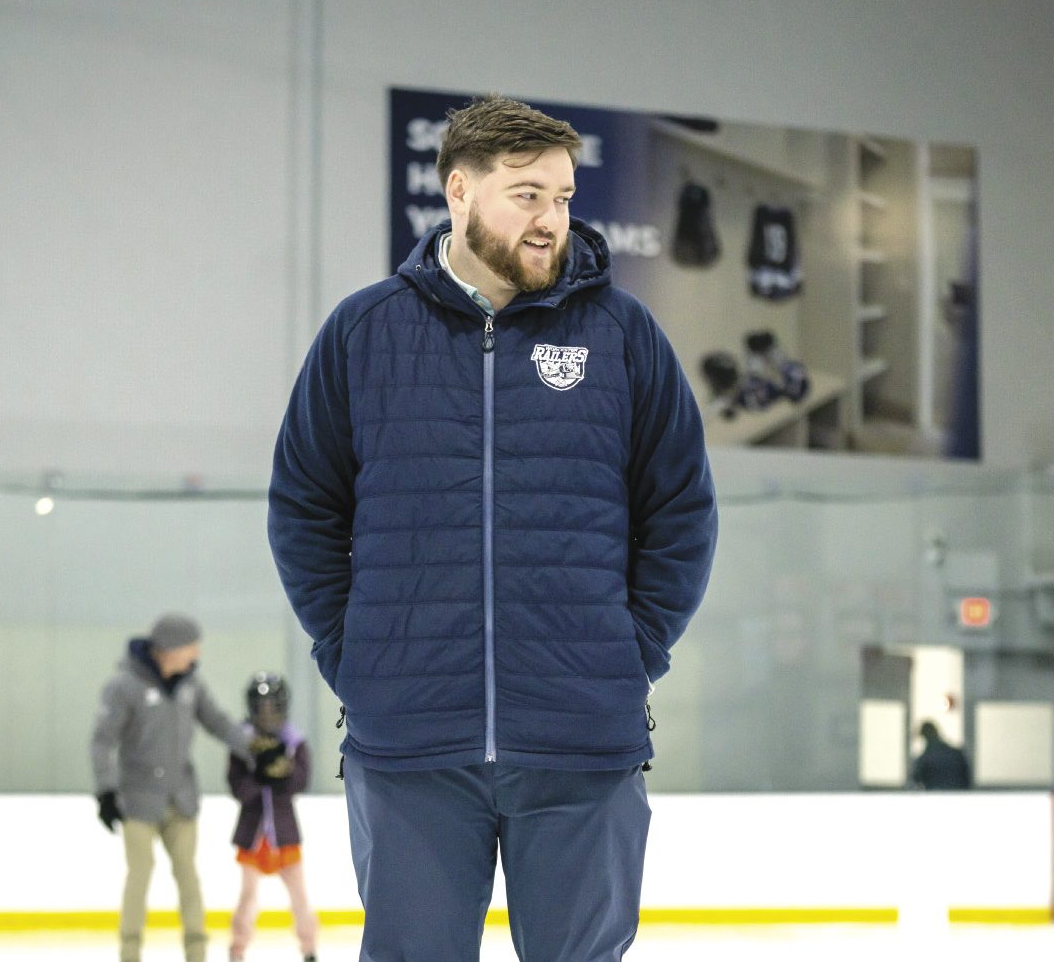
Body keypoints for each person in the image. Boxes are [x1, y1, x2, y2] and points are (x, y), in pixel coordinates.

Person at [268, 93, 718, 961]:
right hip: (411, 748)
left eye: (563, 196)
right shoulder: (364, 333)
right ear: (460, 192)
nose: (552, 219)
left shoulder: (623, 337)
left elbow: (681, 513)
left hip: (581, 742)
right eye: (527, 194)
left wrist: (628, 653)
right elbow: (304, 508)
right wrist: (355, 652)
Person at [90, 613, 254, 962]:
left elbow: (219, 723)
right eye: (191, 647)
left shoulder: (191, 684)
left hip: (182, 798)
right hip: (138, 801)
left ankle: (197, 954)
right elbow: (102, 740)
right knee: (140, 873)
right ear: (169, 649)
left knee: (188, 875)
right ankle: (129, 952)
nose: (195, 655)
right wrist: (106, 791)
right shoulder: (124, 686)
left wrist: (255, 749)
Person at [227, 672, 318, 962]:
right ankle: (237, 949)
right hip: (252, 833)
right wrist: (260, 773)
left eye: (272, 706)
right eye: (261, 707)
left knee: (299, 898)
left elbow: (300, 782)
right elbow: (238, 788)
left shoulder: (294, 741)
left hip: (285, 831)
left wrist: (282, 772)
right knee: (247, 897)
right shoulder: (242, 741)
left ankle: (309, 948)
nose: (266, 713)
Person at [910, 720, 971, 790]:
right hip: (958, 796)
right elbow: (967, 780)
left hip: (936, 797)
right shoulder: (956, 753)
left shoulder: (924, 759)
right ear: (936, 733)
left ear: (924, 737)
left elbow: (916, 780)